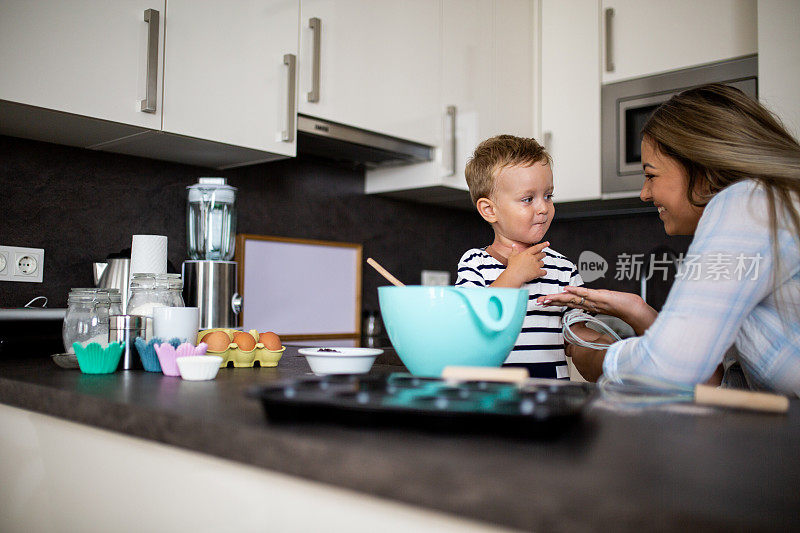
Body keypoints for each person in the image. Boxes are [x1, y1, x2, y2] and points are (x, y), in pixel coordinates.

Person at [537, 84, 800, 396]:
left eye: (651, 175)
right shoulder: (772, 204)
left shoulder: (747, 204)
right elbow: (711, 377)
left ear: (701, 170)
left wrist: (594, 355)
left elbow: (670, 369)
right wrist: (641, 313)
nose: (645, 193)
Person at [455, 135, 603, 379]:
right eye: (528, 199)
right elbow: (470, 326)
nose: (544, 207)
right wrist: (514, 275)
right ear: (489, 210)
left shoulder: (563, 269)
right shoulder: (475, 264)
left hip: (551, 402)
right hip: (492, 398)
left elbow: (577, 336)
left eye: (548, 195)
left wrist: (601, 346)